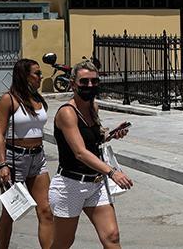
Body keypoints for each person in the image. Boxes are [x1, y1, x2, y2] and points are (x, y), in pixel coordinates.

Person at [49, 60, 133, 249]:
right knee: (63, 243)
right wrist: (112, 172)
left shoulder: (92, 107)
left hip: (95, 183)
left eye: (94, 82)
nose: (90, 86)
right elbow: (80, 152)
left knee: (112, 236)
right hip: (70, 185)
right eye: (84, 82)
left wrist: (110, 135)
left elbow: (94, 140)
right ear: (73, 84)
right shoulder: (67, 113)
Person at [0, 59, 54, 249]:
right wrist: (2, 164)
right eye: (37, 73)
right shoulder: (8, 100)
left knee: (45, 211)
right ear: (24, 75)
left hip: (38, 157)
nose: (40, 77)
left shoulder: (38, 99)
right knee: (10, 212)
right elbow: (0, 134)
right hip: (14, 159)